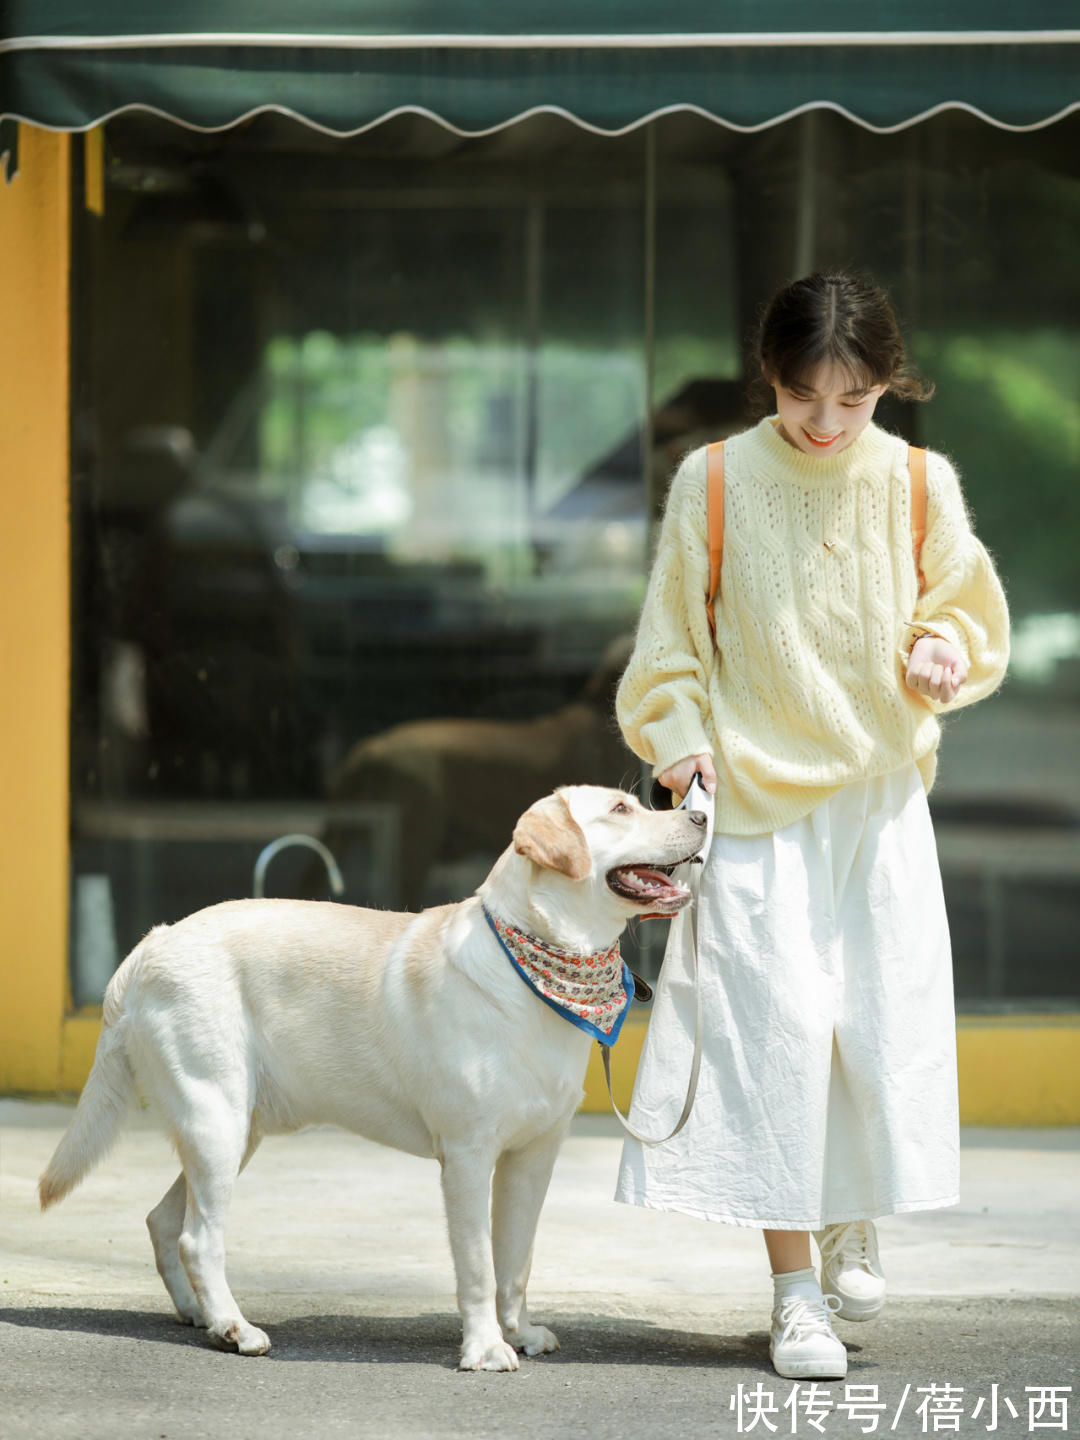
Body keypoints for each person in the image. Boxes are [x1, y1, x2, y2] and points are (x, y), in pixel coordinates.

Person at [613, 271, 1010, 1380]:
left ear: (889, 384)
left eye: (855, 400)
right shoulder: (717, 480)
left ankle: (850, 1218)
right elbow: (668, 649)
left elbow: (965, 613)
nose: (829, 425)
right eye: (804, 400)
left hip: (877, 805)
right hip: (750, 806)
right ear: (771, 381)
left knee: (872, 1030)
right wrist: (678, 741)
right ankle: (795, 1296)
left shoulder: (921, 484)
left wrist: (943, 650)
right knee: (768, 1043)